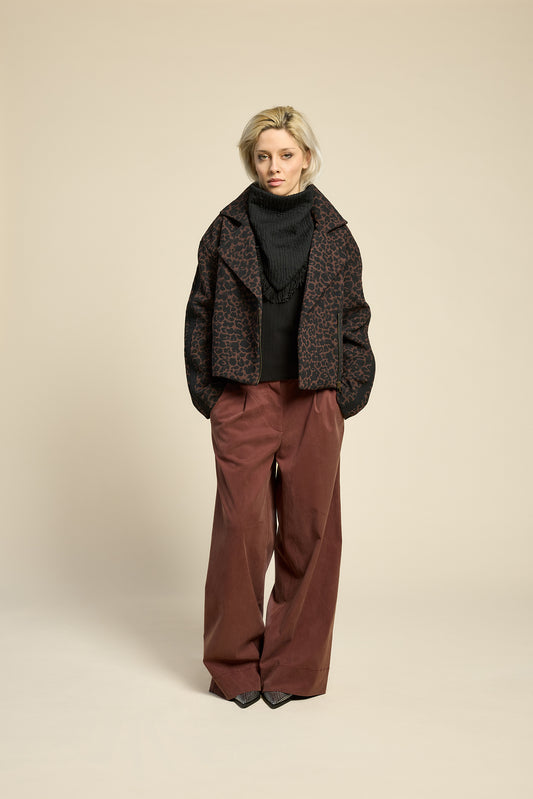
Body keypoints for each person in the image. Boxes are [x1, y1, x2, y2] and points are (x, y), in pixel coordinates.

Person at [184, 105, 375, 709]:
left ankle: (294, 667)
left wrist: (346, 393)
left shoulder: (334, 233)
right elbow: (199, 312)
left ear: (306, 159)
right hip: (244, 394)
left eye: (285, 155)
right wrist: (212, 395)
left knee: (309, 533)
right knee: (240, 532)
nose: (274, 166)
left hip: (314, 396)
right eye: (263, 155)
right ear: (252, 160)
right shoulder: (225, 230)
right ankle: (234, 666)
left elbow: (354, 316)